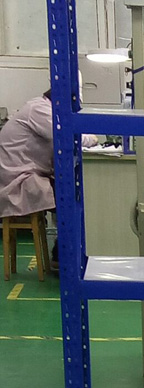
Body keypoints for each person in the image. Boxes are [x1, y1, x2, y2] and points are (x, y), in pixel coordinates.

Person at [0, 88, 96, 269]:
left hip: (27, 175)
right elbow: (65, 136)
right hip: (17, 181)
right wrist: (92, 139)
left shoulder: (42, 107)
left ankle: (62, 255)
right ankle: (62, 257)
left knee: (68, 195)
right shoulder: (39, 110)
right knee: (68, 198)